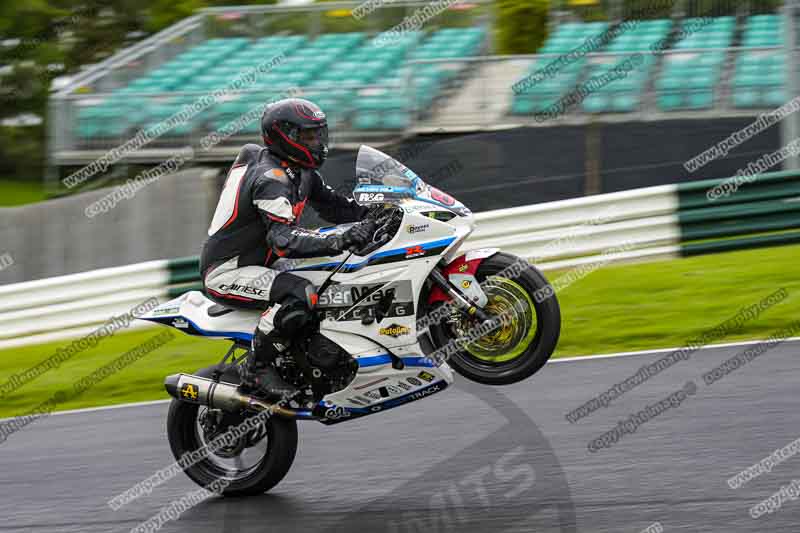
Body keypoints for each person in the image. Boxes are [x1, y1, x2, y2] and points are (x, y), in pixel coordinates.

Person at [200, 98, 376, 399]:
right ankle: (256, 369)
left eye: (319, 134)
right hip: (229, 270)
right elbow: (283, 241)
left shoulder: (300, 171)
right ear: (286, 136)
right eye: (309, 136)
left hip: (262, 264)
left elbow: (336, 208)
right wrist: (340, 239)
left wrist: (378, 213)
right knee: (300, 293)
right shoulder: (271, 179)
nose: (318, 142)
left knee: (335, 277)